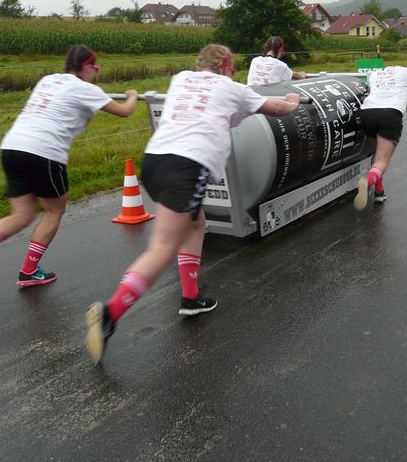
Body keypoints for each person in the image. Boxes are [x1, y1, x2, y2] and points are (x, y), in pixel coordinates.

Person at [86, 44, 300, 364]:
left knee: (196, 222)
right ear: (226, 65)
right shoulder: (231, 87)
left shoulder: (181, 79)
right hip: (188, 167)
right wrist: (293, 100)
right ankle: (111, 312)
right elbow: (278, 109)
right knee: (162, 247)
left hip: (156, 162)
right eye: (232, 67)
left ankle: (190, 297)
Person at [0, 45, 138, 288]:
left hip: (12, 147)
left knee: (22, 214)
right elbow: (125, 111)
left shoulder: (48, 81)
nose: (96, 72)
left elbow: (72, 115)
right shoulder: (86, 88)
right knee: (54, 210)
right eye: (96, 68)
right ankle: (29, 271)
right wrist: (132, 95)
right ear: (85, 66)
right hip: (44, 151)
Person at [353, 65, 407, 209]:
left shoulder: (375, 74)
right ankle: (368, 181)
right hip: (390, 113)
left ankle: (379, 191)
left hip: (368, 112)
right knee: (382, 161)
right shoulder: (405, 70)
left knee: (376, 153)